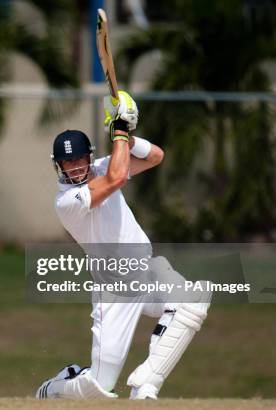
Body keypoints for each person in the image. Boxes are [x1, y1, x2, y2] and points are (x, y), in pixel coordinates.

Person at [35, 91, 211, 400]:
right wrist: (117, 130)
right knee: (99, 389)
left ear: (89, 157)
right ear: (57, 166)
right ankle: (56, 388)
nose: (75, 167)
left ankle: (145, 387)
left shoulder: (102, 167)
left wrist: (126, 135)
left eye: (79, 159)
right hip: (114, 288)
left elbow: (156, 156)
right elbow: (116, 178)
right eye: (67, 162)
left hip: (144, 267)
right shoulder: (66, 202)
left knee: (192, 300)